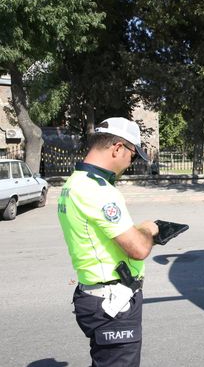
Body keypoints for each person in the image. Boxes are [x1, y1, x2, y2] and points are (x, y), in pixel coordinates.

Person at [58, 117, 159, 367]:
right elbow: (138, 248)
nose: (130, 163)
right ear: (117, 148)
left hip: (95, 295)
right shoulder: (98, 191)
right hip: (113, 302)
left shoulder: (74, 183)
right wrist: (150, 229)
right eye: (133, 156)